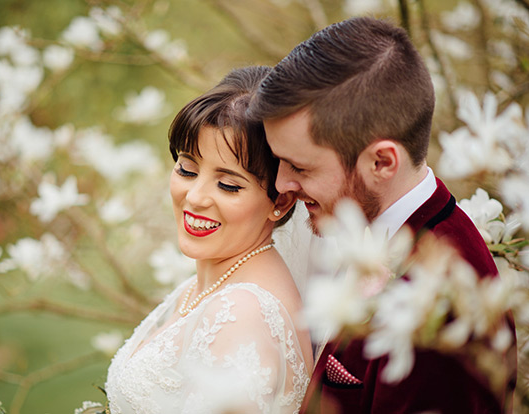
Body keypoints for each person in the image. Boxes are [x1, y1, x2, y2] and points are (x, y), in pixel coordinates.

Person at [248, 16, 514, 414]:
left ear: (383, 162)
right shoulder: (377, 234)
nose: (282, 183)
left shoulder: (441, 314)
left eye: (300, 167)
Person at [104, 66, 314, 414]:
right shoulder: (215, 282)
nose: (196, 197)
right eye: (187, 169)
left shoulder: (242, 315)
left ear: (280, 201)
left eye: (228, 185)